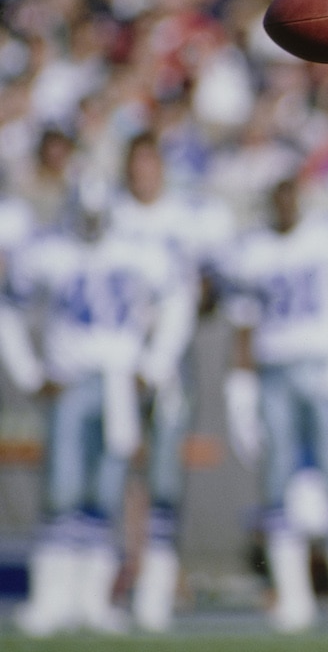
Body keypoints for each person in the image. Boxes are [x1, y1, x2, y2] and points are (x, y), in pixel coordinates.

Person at [0, 181, 193, 636]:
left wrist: (156, 362)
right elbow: (8, 306)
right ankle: (52, 599)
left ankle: (93, 600)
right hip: (69, 380)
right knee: (61, 489)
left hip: (118, 383)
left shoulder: (136, 251)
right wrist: (29, 371)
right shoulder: (49, 251)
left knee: (105, 491)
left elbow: (178, 299)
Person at [219, 174, 328, 634]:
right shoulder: (252, 251)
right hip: (274, 372)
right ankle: (293, 600)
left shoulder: (327, 239)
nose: (285, 205)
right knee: (276, 483)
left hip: (325, 364)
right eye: (278, 197)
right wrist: (240, 388)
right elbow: (243, 326)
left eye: (290, 195)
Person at [108, 130, 236, 632]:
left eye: (150, 163)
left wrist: (183, 303)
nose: (143, 173)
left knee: (164, 470)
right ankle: (112, 577)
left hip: (171, 356)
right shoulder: (112, 215)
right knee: (113, 467)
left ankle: (156, 586)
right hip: (117, 354)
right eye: (135, 164)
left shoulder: (186, 217)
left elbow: (214, 287)